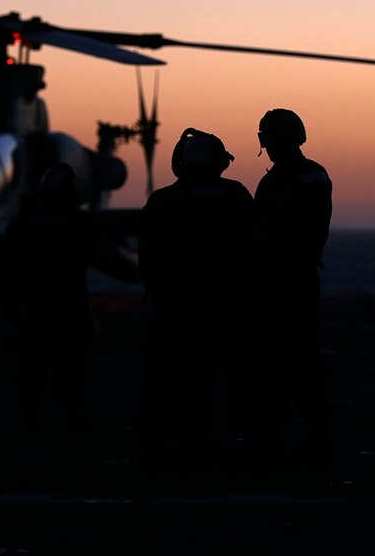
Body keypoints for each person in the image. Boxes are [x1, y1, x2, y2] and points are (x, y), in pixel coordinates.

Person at [138, 128, 254, 462]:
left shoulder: (162, 201)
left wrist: (157, 291)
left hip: (173, 303)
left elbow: (148, 255)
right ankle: (214, 436)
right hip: (224, 303)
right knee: (223, 374)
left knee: (166, 372)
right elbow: (253, 247)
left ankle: (163, 439)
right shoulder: (235, 196)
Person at [253, 108, 333, 462]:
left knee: (275, 363)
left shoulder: (276, 182)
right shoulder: (317, 173)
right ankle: (316, 433)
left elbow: (265, 234)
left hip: (279, 280)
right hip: (305, 276)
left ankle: (271, 438)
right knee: (306, 359)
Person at [3, 163, 92, 432]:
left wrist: (10, 301)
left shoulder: (24, 223)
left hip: (36, 303)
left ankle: (30, 416)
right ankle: (67, 415)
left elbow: (8, 264)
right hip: (69, 303)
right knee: (69, 363)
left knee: (33, 363)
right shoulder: (74, 222)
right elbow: (96, 254)